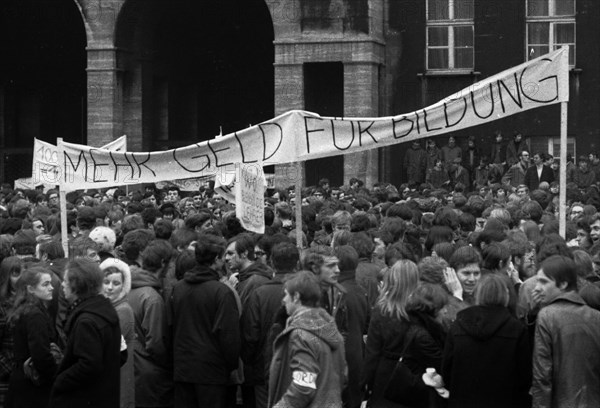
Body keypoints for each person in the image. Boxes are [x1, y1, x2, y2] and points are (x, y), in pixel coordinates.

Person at [170, 234, 241, 408]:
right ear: (216, 259)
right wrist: (229, 366)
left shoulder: (178, 289)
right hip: (212, 373)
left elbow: (169, 328)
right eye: (223, 256)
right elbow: (228, 336)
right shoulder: (222, 292)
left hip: (183, 369)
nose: (225, 260)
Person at [442, 274, 531, 408]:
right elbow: (525, 376)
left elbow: (447, 370)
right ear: (505, 295)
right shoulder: (516, 329)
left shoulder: (458, 326)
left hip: (463, 400)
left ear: (478, 294)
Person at [49, 258, 121, 408]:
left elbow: (89, 364)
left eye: (65, 281)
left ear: (76, 286)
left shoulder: (86, 321)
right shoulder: (104, 310)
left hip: (86, 399)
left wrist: (60, 380)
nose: (62, 285)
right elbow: (122, 353)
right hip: (103, 395)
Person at [268, 271, 347, 408]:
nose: (284, 300)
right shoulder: (331, 330)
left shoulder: (300, 335)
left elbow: (303, 386)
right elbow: (343, 376)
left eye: (286, 294)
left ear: (296, 297)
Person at [531, 255, 600, 408]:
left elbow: (542, 376)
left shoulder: (547, 316)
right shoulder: (596, 317)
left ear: (563, 284)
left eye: (543, 282)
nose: (536, 288)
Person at [361, 259, 420, 408]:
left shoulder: (382, 310)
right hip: (414, 374)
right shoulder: (423, 310)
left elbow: (372, 352)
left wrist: (366, 382)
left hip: (385, 375)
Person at [7, 266, 58, 408]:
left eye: (50, 283)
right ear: (30, 289)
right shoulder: (35, 315)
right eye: (45, 284)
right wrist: (54, 375)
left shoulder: (25, 309)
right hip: (32, 385)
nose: (52, 288)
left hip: (22, 380)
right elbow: (40, 354)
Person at [100, 258, 136, 408]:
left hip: (118, 374)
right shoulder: (107, 306)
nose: (109, 288)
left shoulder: (122, 310)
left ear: (123, 286)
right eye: (106, 282)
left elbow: (108, 345)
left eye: (116, 284)